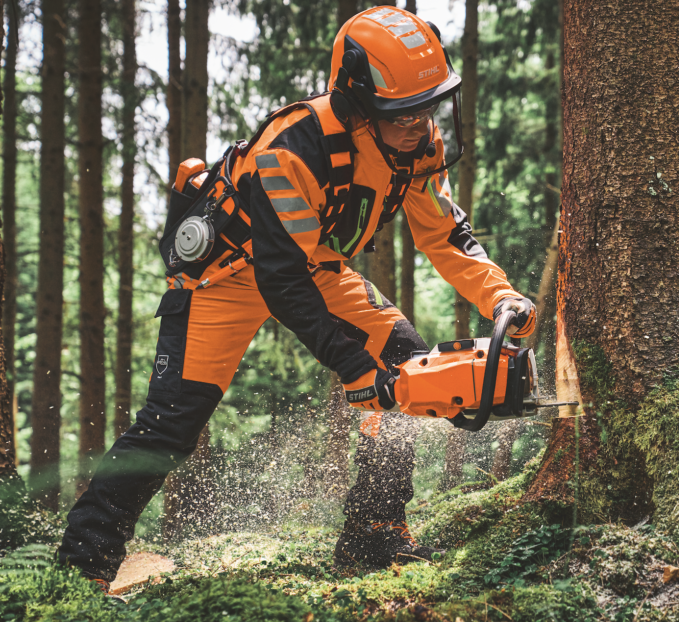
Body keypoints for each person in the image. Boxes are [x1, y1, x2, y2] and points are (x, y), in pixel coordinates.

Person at [57, 5, 536, 590]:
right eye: (403, 113)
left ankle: (373, 531)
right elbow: (280, 280)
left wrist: (502, 297)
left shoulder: (418, 145)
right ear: (361, 101)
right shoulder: (294, 146)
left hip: (310, 263)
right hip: (225, 275)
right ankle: (81, 569)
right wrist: (355, 369)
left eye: (428, 107)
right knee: (170, 425)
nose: (420, 123)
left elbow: (444, 234)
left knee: (407, 360)